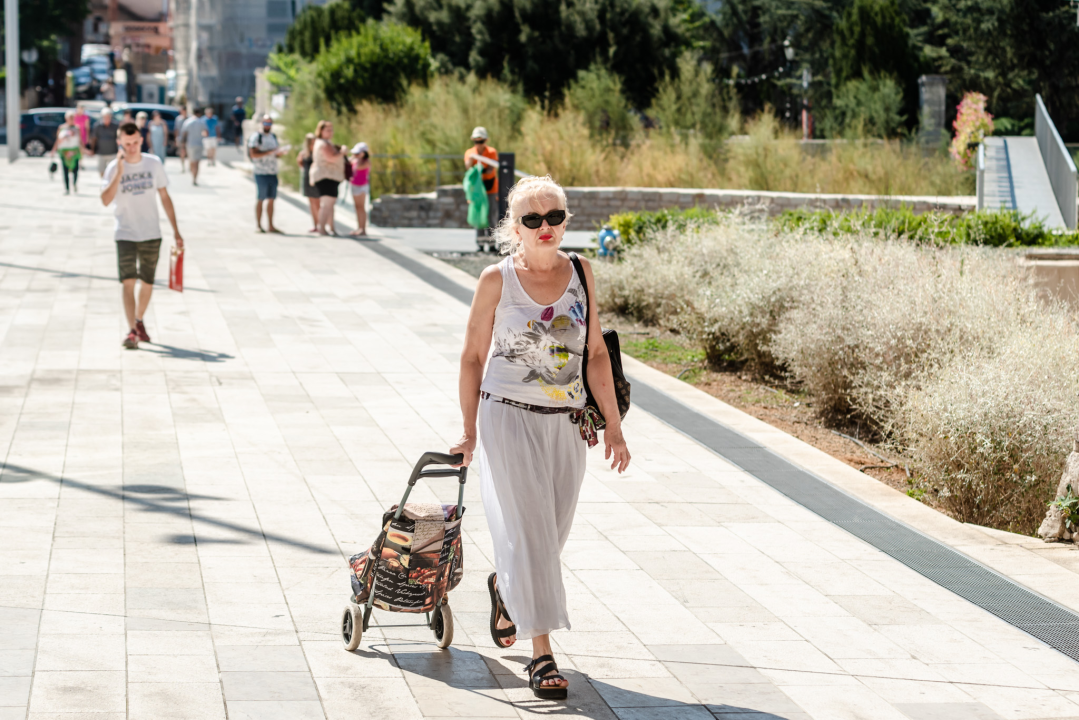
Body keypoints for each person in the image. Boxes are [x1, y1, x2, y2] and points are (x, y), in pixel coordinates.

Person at [450, 175, 630, 700]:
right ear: (515, 227)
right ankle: (542, 654)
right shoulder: (496, 280)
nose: (545, 226)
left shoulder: (582, 273)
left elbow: (596, 353)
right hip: (506, 417)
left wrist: (614, 427)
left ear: (566, 221)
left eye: (554, 217)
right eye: (533, 219)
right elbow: (471, 358)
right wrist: (468, 432)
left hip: (568, 423)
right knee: (532, 535)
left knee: (550, 535)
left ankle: (507, 590)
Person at [100, 121, 184, 350]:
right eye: (127, 144)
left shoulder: (153, 164)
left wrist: (176, 230)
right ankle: (132, 331)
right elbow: (105, 200)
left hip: (151, 233)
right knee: (128, 282)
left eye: (135, 142)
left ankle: (138, 321)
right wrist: (119, 172)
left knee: (147, 282)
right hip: (125, 233)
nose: (132, 147)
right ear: (119, 143)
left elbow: (165, 198)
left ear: (141, 140)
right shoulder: (112, 168)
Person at [247, 114, 286, 233]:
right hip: (261, 172)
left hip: (273, 171)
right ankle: (258, 225)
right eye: (265, 123)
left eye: (269, 123)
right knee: (260, 198)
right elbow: (253, 154)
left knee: (271, 199)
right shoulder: (256, 137)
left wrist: (278, 153)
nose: (267, 125)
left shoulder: (273, 136)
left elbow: (275, 152)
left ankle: (271, 225)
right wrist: (270, 152)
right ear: (261, 123)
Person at [309, 120, 346, 235]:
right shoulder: (323, 144)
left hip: (330, 177)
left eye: (331, 130)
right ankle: (322, 228)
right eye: (328, 130)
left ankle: (331, 228)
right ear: (321, 131)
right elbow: (331, 158)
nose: (331, 132)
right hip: (326, 177)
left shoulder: (325, 142)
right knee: (326, 204)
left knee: (330, 204)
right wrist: (343, 152)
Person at [464, 126, 499, 246]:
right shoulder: (470, 153)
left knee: (490, 214)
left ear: (486, 141)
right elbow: (468, 167)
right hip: (477, 189)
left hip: (490, 188)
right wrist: (474, 161)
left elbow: (490, 170)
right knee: (478, 213)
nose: (479, 144)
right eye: (476, 141)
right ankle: (479, 243)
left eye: (481, 141)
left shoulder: (491, 152)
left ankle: (491, 243)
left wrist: (479, 169)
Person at [51, 111, 82, 194]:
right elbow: (58, 140)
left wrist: (82, 151)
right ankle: (67, 188)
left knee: (75, 170)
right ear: (66, 119)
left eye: (73, 118)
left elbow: (80, 141)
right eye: (70, 118)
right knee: (65, 170)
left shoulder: (77, 128)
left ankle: (75, 184)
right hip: (64, 152)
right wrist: (53, 150)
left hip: (74, 151)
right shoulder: (61, 127)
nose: (71, 119)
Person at [297, 133, 320, 232]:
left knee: (318, 203)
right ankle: (315, 225)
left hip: (317, 179)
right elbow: (300, 163)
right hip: (307, 178)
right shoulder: (303, 153)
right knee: (312, 203)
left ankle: (320, 225)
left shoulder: (318, 152)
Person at [348, 142, 370, 237]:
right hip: (354, 185)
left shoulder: (366, 162)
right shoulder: (355, 160)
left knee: (361, 207)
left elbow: (357, 168)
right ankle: (359, 227)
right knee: (357, 207)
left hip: (362, 186)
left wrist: (357, 158)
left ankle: (363, 229)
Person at [179, 108, 206, 185]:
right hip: (199, 144)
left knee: (192, 161)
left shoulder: (187, 122)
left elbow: (184, 134)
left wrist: (183, 145)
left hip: (190, 144)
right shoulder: (201, 122)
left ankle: (192, 176)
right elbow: (205, 132)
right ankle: (195, 178)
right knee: (197, 162)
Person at [89, 107, 119, 177]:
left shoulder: (115, 126)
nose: (107, 119)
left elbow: (119, 138)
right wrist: (92, 149)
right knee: (101, 170)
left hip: (113, 152)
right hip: (101, 152)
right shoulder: (97, 126)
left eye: (108, 117)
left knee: (113, 170)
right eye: (105, 117)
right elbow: (94, 138)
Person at [175, 107, 188, 172]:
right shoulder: (178, 119)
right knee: (181, 152)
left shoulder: (189, 118)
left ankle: (189, 166)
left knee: (188, 153)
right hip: (180, 138)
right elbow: (176, 129)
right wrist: (176, 138)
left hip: (188, 139)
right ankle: (183, 166)